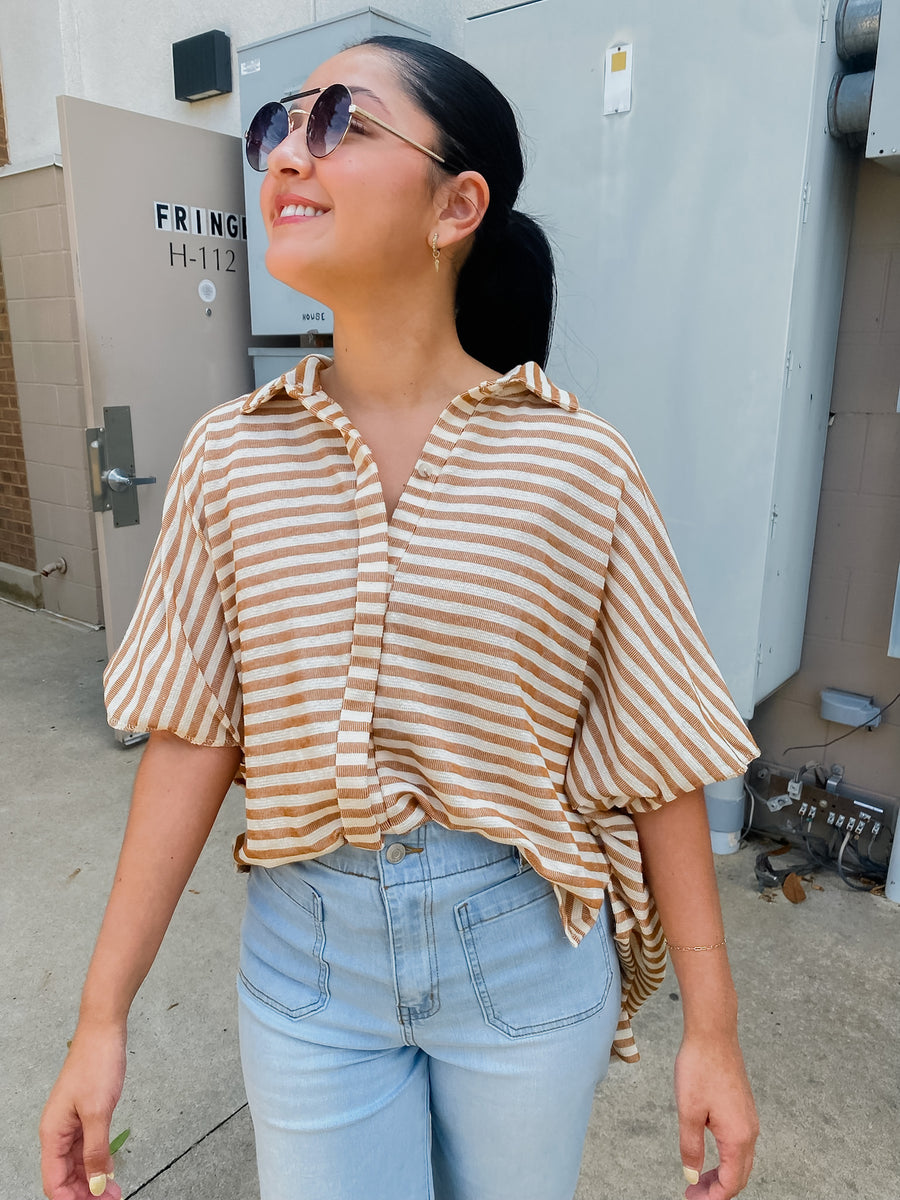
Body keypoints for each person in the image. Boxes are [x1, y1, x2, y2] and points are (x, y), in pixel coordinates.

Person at [40, 35, 760, 1200]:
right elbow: (193, 737)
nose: (286, 153)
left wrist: (712, 1032)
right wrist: (100, 1015)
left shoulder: (578, 464)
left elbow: (661, 752)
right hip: (307, 965)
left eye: (343, 123)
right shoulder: (229, 459)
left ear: (456, 205)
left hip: (522, 956)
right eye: (281, 123)